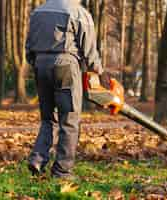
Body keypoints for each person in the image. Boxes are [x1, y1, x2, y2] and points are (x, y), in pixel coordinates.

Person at [25, 0, 108, 178]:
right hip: (65, 64)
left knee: (48, 118)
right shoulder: (78, 12)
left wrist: (37, 63)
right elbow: (90, 51)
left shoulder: (37, 12)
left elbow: (29, 47)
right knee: (69, 119)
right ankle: (62, 170)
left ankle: (37, 159)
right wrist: (100, 73)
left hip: (40, 64)